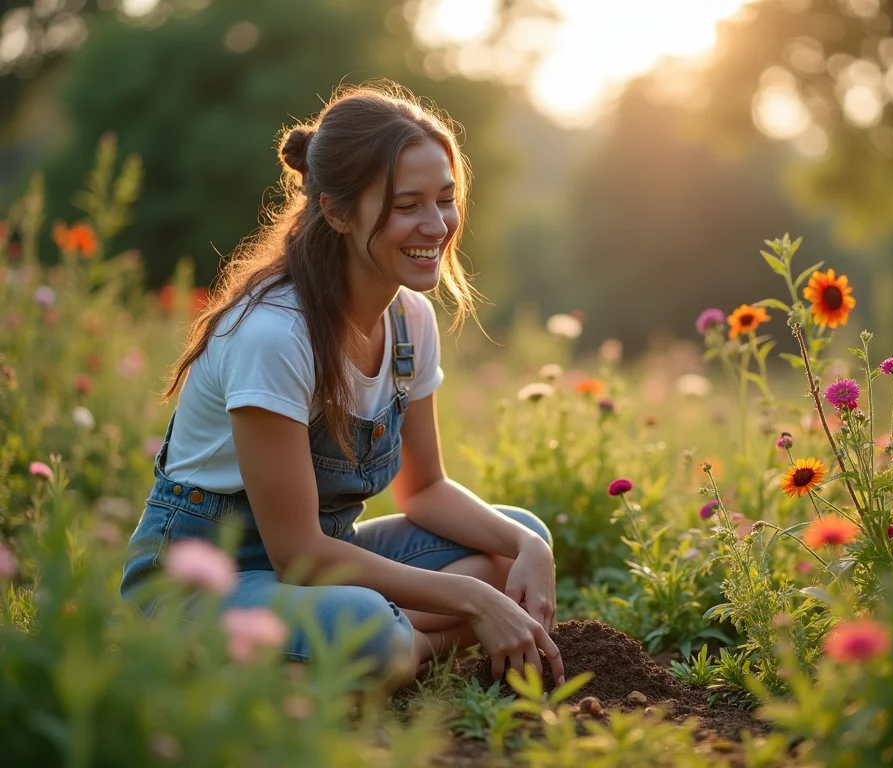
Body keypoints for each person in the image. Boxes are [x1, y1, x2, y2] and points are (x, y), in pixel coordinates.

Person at [121, 81, 564, 692]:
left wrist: (529, 549)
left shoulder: (410, 320)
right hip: (207, 576)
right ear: (335, 210)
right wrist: (468, 600)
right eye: (407, 205)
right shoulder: (274, 336)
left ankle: (380, 649)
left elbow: (425, 488)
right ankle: (394, 646)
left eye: (446, 199)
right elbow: (297, 553)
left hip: (321, 569)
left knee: (518, 541)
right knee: (373, 627)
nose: (435, 225)